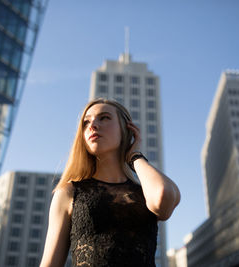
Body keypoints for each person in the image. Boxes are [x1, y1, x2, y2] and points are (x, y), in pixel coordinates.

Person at [40, 98, 180, 267]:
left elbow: (163, 197)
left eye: (104, 117)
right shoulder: (69, 192)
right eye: (86, 122)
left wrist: (135, 156)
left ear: (126, 130)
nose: (93, 125)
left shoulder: (146, 192)